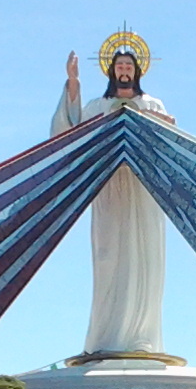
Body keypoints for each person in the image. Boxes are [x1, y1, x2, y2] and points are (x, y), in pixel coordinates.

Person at [49, 31, 175, 360]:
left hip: (142, 187)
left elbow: (169, 138)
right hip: (109, 187)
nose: (123, 70)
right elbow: (70, 129)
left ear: (137, 70)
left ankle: (142, 337)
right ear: (111, 70)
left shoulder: (152, 104)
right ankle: (106, 335)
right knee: (108, 258)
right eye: (118, 65)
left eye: (128, 65)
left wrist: (159, 121)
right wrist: (73, 83)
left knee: (144, 257)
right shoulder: (99, 105)